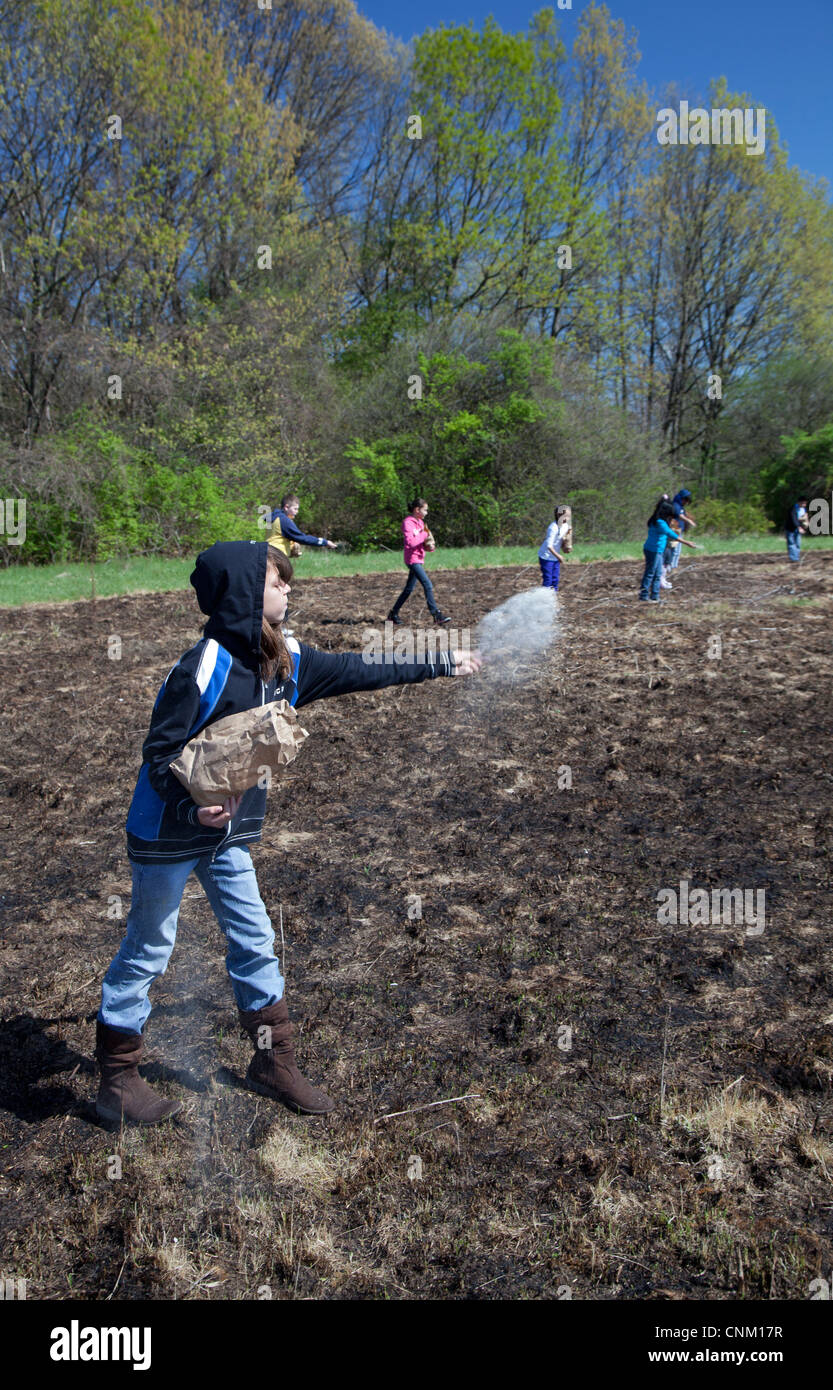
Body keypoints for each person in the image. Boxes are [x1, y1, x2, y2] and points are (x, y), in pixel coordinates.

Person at [94, 541, 482, 1126]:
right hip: (167, 833)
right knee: (149, 949)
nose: (289, 590)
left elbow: (361, 667)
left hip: (225, 837)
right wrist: (190, 810)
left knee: (253, 938)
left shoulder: (287, 661)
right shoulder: (203, 667)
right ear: (248, 594)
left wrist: (442, 661)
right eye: (279, 582)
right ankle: (118, 1083)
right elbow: (158, 756)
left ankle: (273, 1062)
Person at [387, 498, 450, 626]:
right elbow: (411, 542)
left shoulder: (421, 523)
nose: (427, 513)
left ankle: (393, 614)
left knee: (408, 589)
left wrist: (430, 546)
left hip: (419, 559)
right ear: (417, 510)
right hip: (412, 560)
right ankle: (436, 614)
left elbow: (423, 542)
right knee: (427, 584)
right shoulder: (407, 523)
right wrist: (424, 535)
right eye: (425, 510)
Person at [640, 500, 698, 602]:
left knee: (658, 574)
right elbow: (670, 533)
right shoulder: (659, 522)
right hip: (653, 550)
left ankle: (655, 596)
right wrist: (686, 542)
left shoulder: (658, 520)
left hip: (657, 550)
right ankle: (644, 596)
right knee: (650, 573)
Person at [268, 494, 339, 556]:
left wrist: (291, 546)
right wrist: (325, 542)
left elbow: (278, 538)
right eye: (295, 509)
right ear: (286, 507)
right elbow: (302, 538)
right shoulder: (284, 520)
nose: (297, 512)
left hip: (268, 551)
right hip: (277, 555)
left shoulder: (274, 518)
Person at [663, 489, 697, 584]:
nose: (686, 503)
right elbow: (679, 515)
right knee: (673, 548)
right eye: (685, 500)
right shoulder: (676, 505)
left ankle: (673, 566)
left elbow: (683, 514)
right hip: (675, 528)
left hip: (678, 529)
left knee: (676, 550)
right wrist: (689, 521)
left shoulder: (680, 506)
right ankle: (670, 567)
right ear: (682, 499)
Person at [538, 505, 572, 590]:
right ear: (559, 515)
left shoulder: (566, 526)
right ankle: (544, 599)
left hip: (555, 557)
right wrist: (559, 556)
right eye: (566, 516)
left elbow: (567, 535)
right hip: (546, 557)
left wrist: (567, 546)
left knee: (555, 580)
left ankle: (554, 598)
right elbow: (549, 546)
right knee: (548, 580)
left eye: (569, 516)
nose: (568, 518)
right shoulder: (553, 528)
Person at [785, 496, 810, 562]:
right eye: (803, 503)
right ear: (799, 502)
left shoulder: (803, 509)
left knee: (798, 544)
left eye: (805, 503)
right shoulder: (793, 509)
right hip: (791, 528)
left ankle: (797, 557)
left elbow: (805, 517)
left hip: (798, 528)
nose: (804, 505)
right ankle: (794, 559)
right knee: (791, 543)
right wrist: (799, 527)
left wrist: (806, 524)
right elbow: (794, 519)